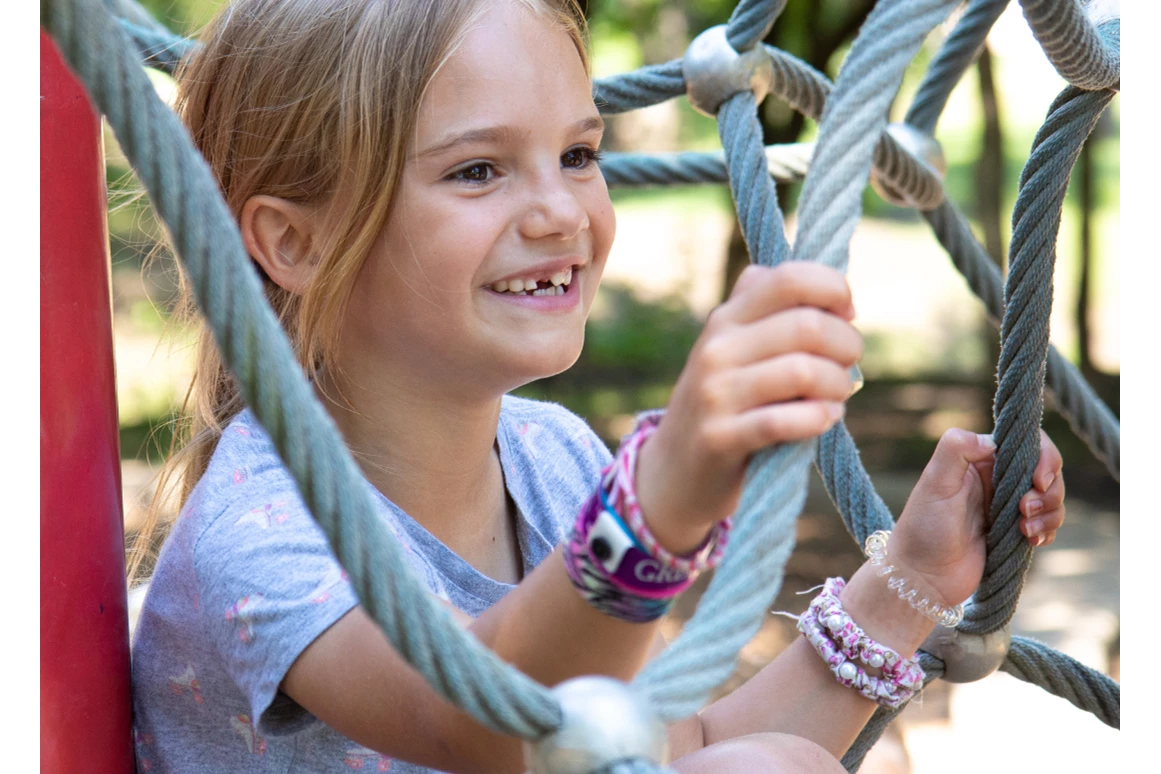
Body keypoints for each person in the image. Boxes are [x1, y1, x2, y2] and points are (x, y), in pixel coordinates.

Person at [127, 0, 1067, 771]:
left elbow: (671, 744)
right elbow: (480, 725)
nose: (559, 211)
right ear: (295, 240)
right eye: (477, 169)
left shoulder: (552, 459)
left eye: (579, 154)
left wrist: (907, 583)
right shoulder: (258, 532)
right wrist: (655, 506)